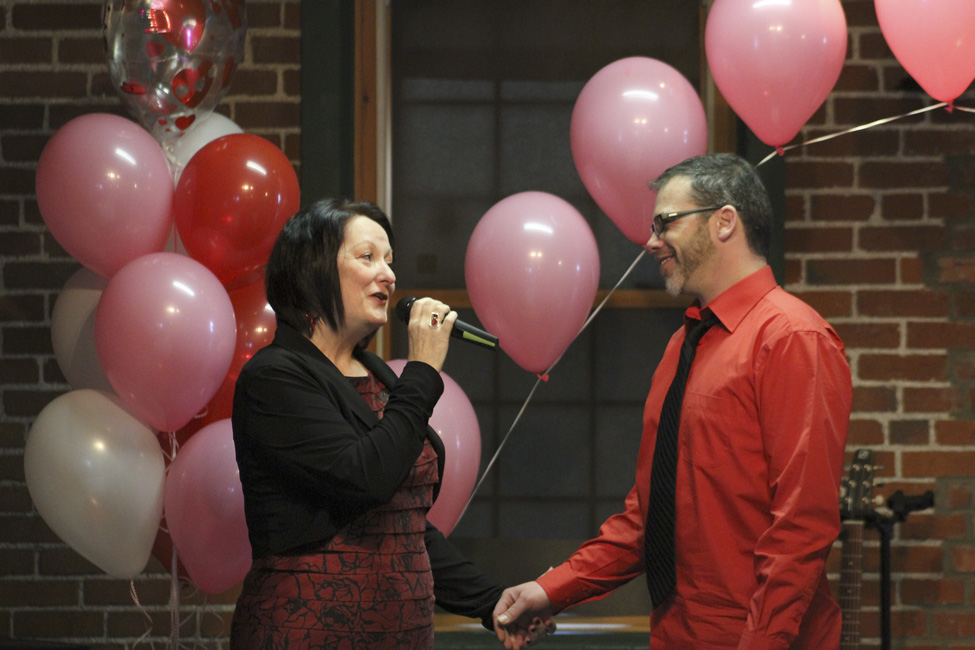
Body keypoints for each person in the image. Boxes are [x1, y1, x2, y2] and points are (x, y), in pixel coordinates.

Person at [493, 153, 852, 650]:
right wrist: (548, 590)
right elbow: (649, 516)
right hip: (674, 633)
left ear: (724, 221)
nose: (651, 240)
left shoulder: (793, 338)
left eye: (666, 222)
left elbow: (802, 527)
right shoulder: (683, 345)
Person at [229, 199, 549, 649]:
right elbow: (364, 477)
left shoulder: (378, 374)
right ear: (312, 269)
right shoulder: (275, 376)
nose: (389, 275)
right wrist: (422, 370)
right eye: (368, 257)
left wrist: (492, 601)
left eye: (390, 261)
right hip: (305, 632)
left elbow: (402, 527)